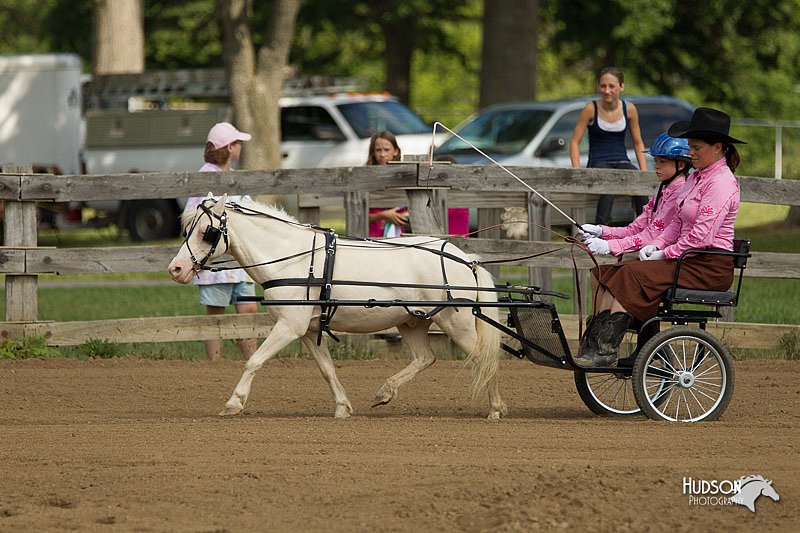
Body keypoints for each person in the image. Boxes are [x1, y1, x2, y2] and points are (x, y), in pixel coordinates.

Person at [577, 107, 744, 366]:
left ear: (718, 147)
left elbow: (701, 236)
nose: (691, 153)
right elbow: (676, 225)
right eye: (690, 147)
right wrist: (656, 244)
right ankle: (600, 340)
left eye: (696, 148)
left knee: (631, 274)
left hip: (707, 264)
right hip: (688, 258)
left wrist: (664, 253)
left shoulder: (721, 182)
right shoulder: (697, 179)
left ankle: (606, 348)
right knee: (609, 272)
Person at [182, 122, 259, 361]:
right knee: (216, 312)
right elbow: (191, 218)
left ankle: (251, 359)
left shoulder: (232, 178)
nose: (240, 148)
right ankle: (214, 362)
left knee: (248, 309)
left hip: (239, 261)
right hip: (216, 263)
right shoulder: (205, 177)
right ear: (227, 148)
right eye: (237, 144)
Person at [579, 132, 692, 256]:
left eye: (663, 162)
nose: (656, 166)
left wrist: (609, 245)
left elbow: (652, 235)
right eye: (656, 161)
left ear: (681, 165)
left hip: (669, 257)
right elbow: (635, 229)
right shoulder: (663, 192)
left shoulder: (680, 193)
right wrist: (601, 231)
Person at [570, 66, 648, 226]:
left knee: (637, 182)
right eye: (603, 86)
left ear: (621, 86)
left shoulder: (630, 109)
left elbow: (638, 142)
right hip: (598, 161)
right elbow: (574, 142)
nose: (607, 90)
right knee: (609, 181)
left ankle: (644, 226)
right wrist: (577, 170)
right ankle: (601, 229)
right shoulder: (591, 108)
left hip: (621, 160)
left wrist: (644, 172)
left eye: (612, 86)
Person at [366, 131, 470, 238]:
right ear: (373, 152)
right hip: (372, 236)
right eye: (378, 150)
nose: (382, 154)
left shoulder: (402, 176)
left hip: (398, 236)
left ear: (396, 151)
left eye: (386, 150)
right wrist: (383, 215)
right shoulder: (365, 178)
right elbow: (357, 215)